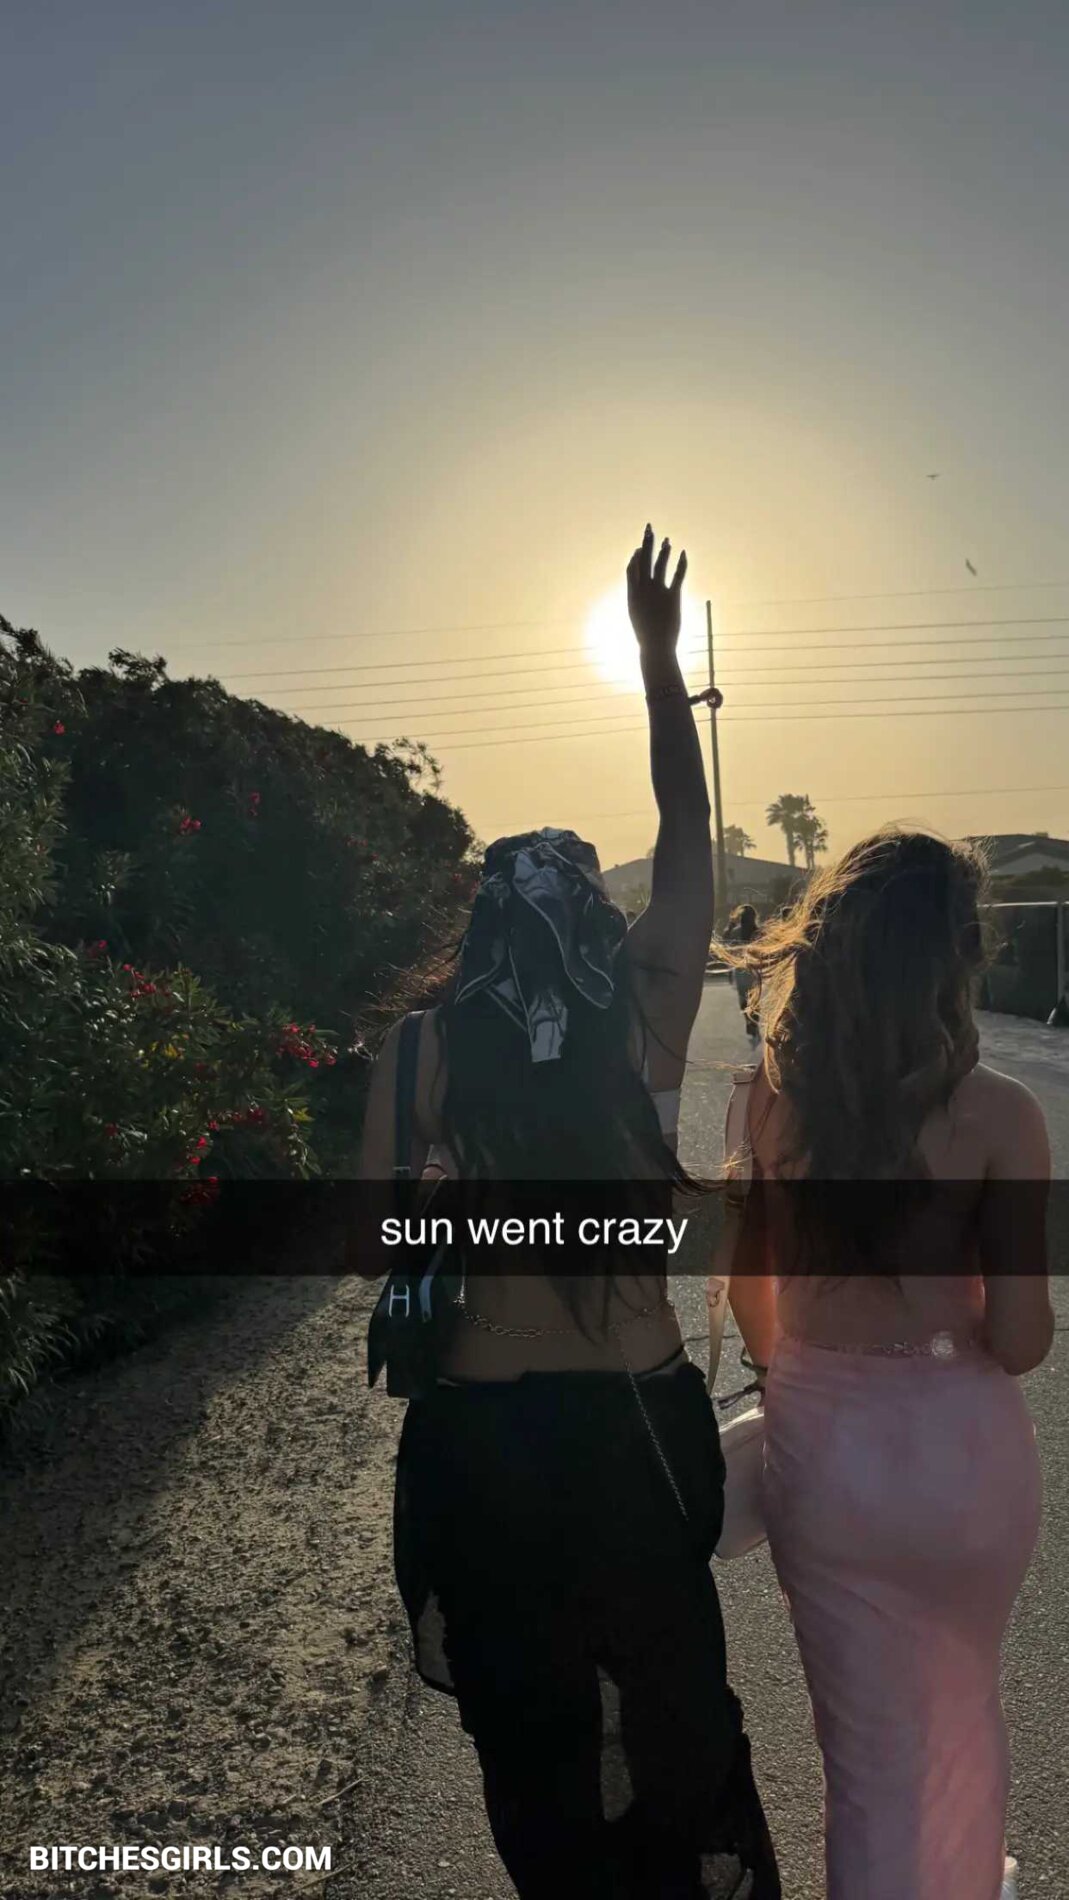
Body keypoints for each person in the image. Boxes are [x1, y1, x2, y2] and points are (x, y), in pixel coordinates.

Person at [355, 526, 780, 1899]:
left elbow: (373, 1243)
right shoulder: (636, 1016)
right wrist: (658, 663)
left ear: (477, 934)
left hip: (479, 1436)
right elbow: (687, 842)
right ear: (595, 925)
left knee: (530, 1742)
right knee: (678, 1725)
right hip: (633, 1428)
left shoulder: (419, 1056)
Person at [717, 827, 1053, 1900]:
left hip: (825, 1452)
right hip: (962, 1461)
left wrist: (799, 1385)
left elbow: (748, 1294)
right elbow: (1020, 1339)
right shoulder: (1002, 1115)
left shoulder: (767, 1099)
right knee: (959, 1707)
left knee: (865, 1756)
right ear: (958, 955)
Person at [723, 903, 760, 1038]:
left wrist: (729, 970)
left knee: (743, 998)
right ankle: (754, 1022)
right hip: (755, 969)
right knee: (755, 998)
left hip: (740, 969)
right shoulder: (758, 932)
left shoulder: (735, 932)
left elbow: (729, 949)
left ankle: (748, 1020)